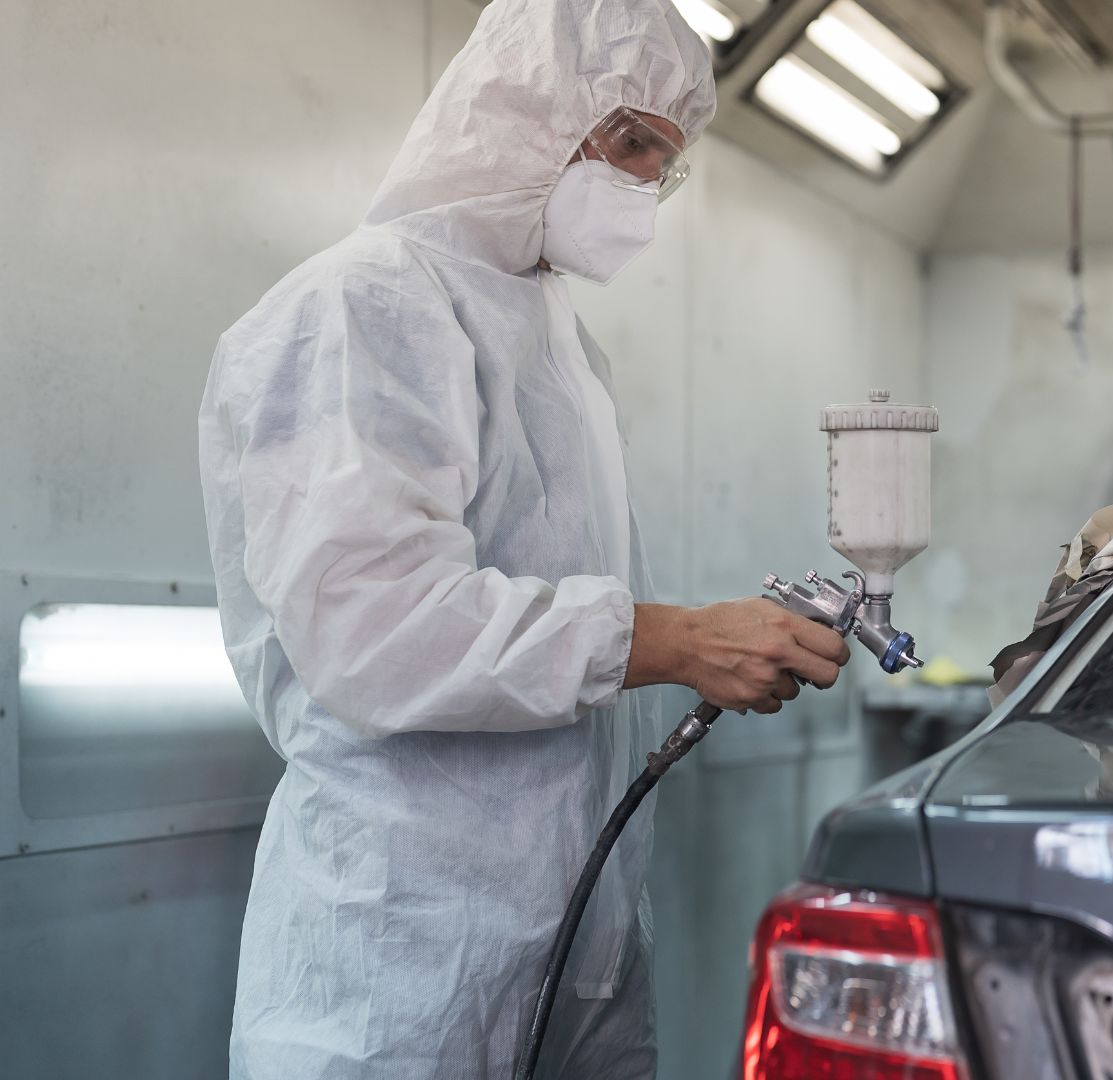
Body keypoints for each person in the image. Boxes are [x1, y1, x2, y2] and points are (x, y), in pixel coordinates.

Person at [197, 1, 849, 1076]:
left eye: (663, 165)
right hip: (400, 958)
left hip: (574, 934)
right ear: (527, 112)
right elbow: (372, 626)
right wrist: (680, 642)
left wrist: (688, 645)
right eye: (631, 142)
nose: (641, 187)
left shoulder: (562, 351)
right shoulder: (364, 308)